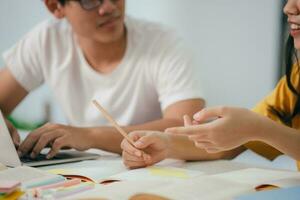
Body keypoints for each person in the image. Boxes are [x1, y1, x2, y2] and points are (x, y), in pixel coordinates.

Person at [0, 0, 204, 159]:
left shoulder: (164, 43)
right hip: (86, 177)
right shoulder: (46, 40)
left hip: (158, 174)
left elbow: (187, 130)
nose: (108, 7)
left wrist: (88, 136)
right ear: (55, 6)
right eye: (89, 0)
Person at [121, 0, 300, 170]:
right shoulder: (295, 80)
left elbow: (252, 131)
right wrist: (165, 144)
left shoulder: (162, 41)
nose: (288, 7)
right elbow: (230, 143)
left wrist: (260, 129)